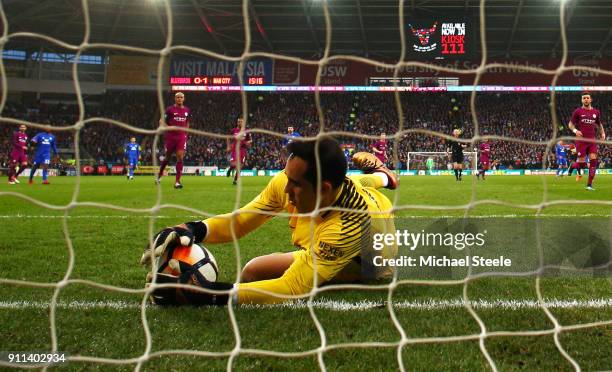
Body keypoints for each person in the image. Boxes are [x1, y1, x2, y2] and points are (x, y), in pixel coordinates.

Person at [141, 137, 399, 306]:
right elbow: (242, 220)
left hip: (368, 263)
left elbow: (291, 287)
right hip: (359, 198)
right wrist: (193, 228)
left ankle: (383, 175)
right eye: (287, 177)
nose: (285, 189)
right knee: (365, 180)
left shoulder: (347, 227)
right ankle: (385, 175)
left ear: (323, 188)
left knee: (253, 272)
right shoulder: (299, 183)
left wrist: (210, 294)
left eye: (295, 184)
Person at [566, 92, 606, 190]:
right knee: (582, 164)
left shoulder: (596, 112)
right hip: (581, 141)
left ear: (590, 99)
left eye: (587, 98)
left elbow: (599, 124)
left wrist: (603, 133)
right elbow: (570, 124)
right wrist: (575, 130)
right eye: (584, 98)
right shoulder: (578, 111)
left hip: (591, 140)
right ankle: (573, 165)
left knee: (593, 161)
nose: (586, 100)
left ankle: (589, 185)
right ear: (582, 100)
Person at [157, 92, 190, 189]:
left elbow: (187, 122)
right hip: (170, 137)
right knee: (167, 158)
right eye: (178, 97)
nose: (179, 99)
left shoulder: (187, 110)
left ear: (184, 98)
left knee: (180, 157)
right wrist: (168, 127)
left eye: (181, 97)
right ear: (175, 99)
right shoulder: (170, 109)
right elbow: (161, 121)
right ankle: (159, 175)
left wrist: (186, 132)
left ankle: (177, 182)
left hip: (181, 137)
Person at [226, 117, 252, 185]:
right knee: (234, 164)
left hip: (243, 150)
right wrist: (228, 146)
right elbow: (228, 137)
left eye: (241, 122)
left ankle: (235, 180)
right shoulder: (234, 130)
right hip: (235, 149)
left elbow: (250, 140)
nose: (240, 123)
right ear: (237, 122)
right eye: (239, 122)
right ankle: (230, 169)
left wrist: (248, 143)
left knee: (240, 166)